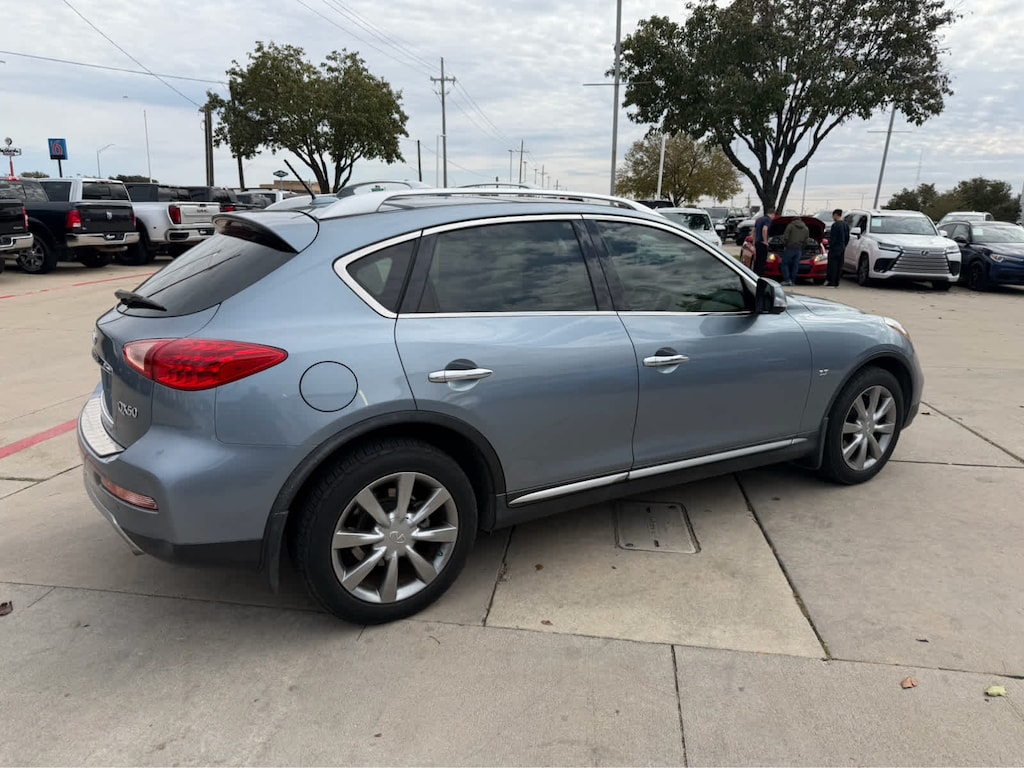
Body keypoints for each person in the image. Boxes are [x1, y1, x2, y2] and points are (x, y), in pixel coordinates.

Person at [780, 216, 809, 286]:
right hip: (799, 249)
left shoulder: (790, 226)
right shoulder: (806, 228)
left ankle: (787, 280)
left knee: (784, 264)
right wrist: (802, 248)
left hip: (790, 248)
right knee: (795, 265)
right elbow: (806, 241)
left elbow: (785, 237)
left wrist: (785, 245)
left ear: (793, 220)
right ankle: (793, 281)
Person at [827, 209, 850, 286]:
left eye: (833, 216)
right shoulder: (846, 225)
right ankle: (837, 282)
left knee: (833, 265)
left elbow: (833, 238)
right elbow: (847, 237)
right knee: (839, 265)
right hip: (842, 248)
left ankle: (832, 282)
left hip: (835, 248)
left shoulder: (835, 225)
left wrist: (830, 244)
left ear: (836, 215)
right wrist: (844, 245)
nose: (833, 217)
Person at [751, 208, 775, 276]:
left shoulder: (760, 219)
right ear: (772, 214)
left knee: (758, 260)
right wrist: (765, 241)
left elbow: (754, 230)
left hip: (757, 242)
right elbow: (765, 229)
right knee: (762, 261)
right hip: (762, 243)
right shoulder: (768, 220)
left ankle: (755, 275)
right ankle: (761, 275)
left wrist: (754, 240)